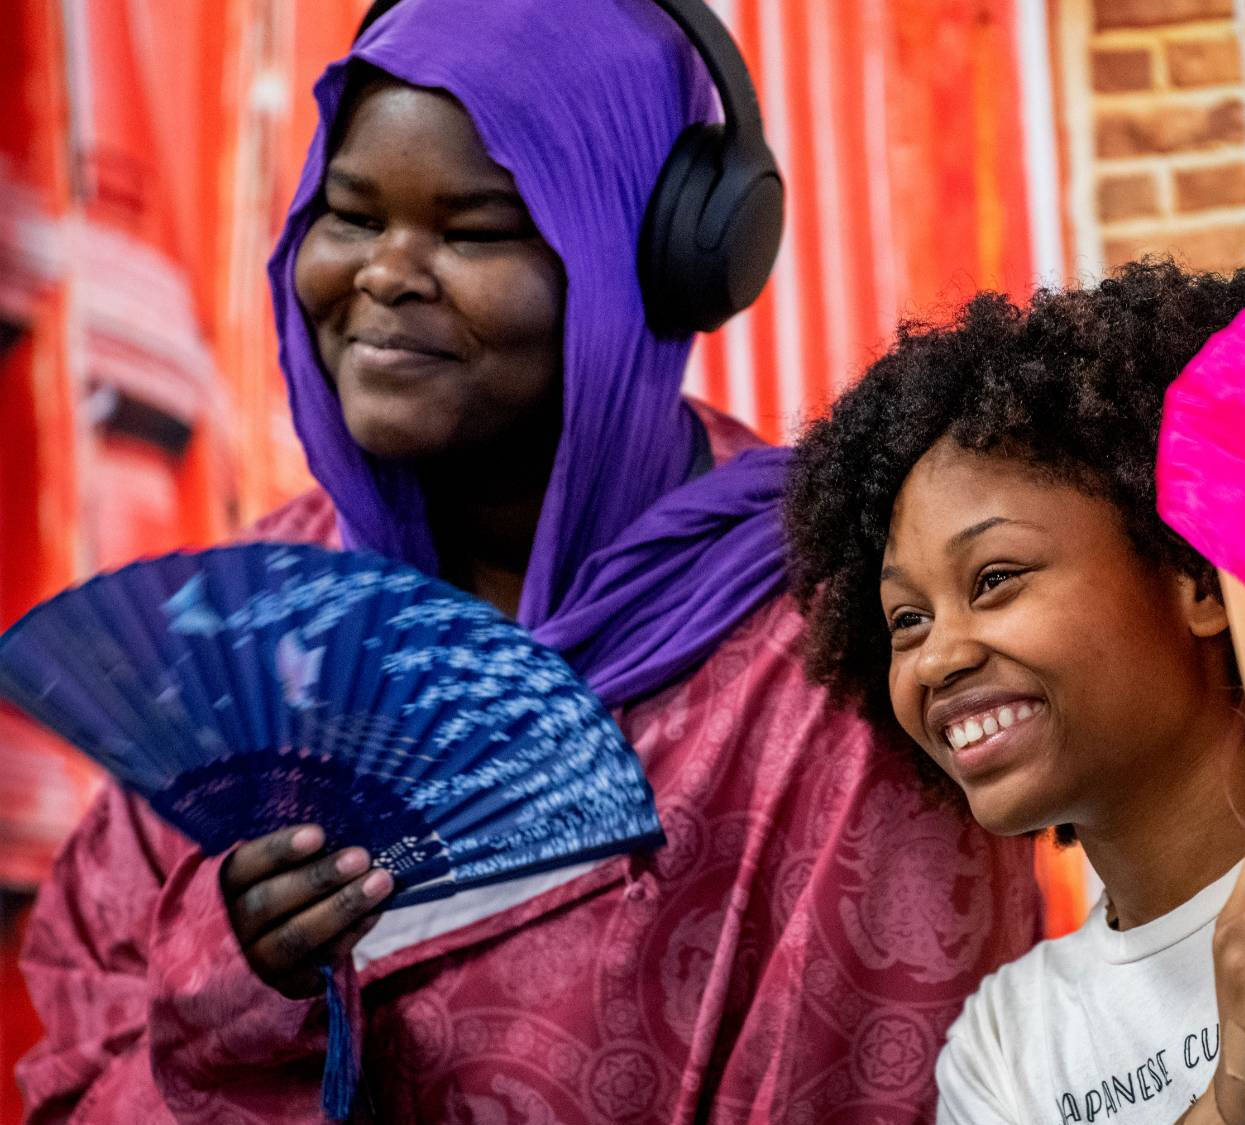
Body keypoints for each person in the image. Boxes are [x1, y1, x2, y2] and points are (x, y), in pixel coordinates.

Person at [16, 1, 1037, 1121]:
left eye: (473, 231)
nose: (384, 274)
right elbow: (76, 1071)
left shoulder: (842, 655)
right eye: (349, 215)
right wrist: (235, 987)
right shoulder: (251, 634)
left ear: (651, 264)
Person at [783, 259, 1245, 1125]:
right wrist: (1244, 1097)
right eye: (906, 620)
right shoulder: (1007, 1047)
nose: (936, 660)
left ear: (1198, 578)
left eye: (995, 578)